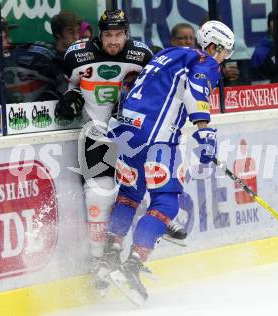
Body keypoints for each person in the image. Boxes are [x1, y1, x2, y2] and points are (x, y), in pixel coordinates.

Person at [98, 20, 235, 304]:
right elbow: (198, 91)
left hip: (125, 131)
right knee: (166, 202)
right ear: (214, 47)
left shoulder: (165, 54)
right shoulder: (204, 60)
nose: (223, 61)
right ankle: (132, 265)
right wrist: (205, 132)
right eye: (224, 53)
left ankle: (109, 256)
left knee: (130, 196)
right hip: (156, 140)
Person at [57, 9, 154, 289]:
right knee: (99, 193)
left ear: (127, 34)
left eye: (118, 35)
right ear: (99, 35)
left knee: (135, 195)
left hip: (129, 136)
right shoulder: (76, 56)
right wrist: (70, 97)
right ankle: (98, 260)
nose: (113, 41)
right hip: (96, 132)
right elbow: (70, 86)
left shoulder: (143, 56)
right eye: (108, 35)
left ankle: (124, 254)